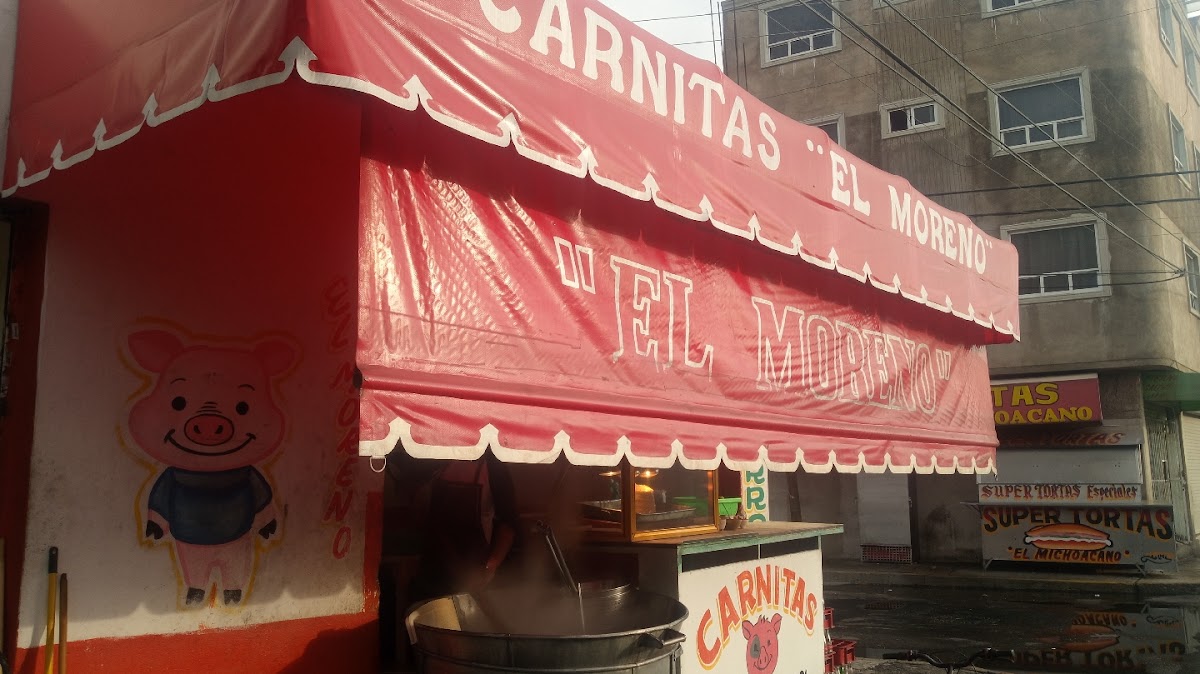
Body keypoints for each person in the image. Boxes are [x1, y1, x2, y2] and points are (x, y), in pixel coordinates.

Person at [408, 451, 519, 601]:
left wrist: (491, 566)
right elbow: (419, 511)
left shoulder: (494, 467)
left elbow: (508, 524)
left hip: (473, 573)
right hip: (434, 571)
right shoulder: (436, 459)